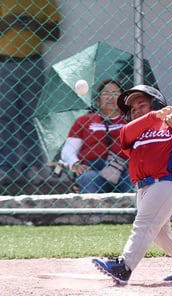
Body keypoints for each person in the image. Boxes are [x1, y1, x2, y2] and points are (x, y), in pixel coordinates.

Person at [92, 85, 172, 284]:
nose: (136, 111)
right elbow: (125, 135)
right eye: (133, 110)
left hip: (168, 182)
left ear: (156, 104)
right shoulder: (132, 132)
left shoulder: (171, 124)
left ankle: (124, 266)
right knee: (159, 233)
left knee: (144, 224)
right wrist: (153, 116)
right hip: (144, 187)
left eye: (142, 105)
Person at [0, 0, 60, 184]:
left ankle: (33, 165)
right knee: (4, 116)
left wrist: (33, 25)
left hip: (33, 62)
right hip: (4, 63)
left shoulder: (44, 1)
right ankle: (5, 167)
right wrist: (9, 22)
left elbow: (55, 33)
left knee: (32, 116)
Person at [61, 79, 134, 194]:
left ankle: (134, 211)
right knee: (89, 178)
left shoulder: (131, 121)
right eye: (106, 93)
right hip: (92, 167)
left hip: (123, 167)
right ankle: (93, 212)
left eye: (116, 94)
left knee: (134, 178)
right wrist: (75, 163)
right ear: (98, 101)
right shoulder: (84, 121)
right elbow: (68, 150)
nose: (111, 97)